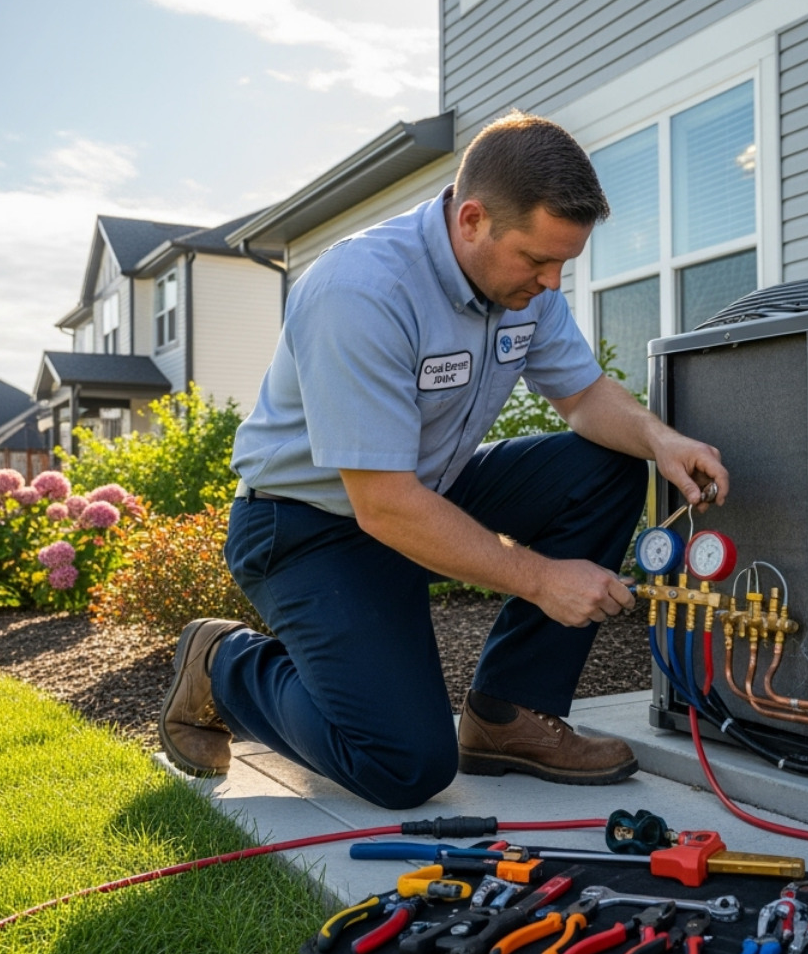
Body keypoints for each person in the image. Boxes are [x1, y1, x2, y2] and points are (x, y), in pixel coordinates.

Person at [157, 111, 729, 809]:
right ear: (472, 220)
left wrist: (659, 438)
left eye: (563, 263)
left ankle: (507, 715)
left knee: (607, 466)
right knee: (404, 764)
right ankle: (224, 668)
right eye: (537, 260)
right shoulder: (362, 292)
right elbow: (384, 504)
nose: (552, 283)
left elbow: (582, 399)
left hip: (426, 493)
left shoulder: (525, 289)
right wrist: (543, 579)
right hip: (308, 526)